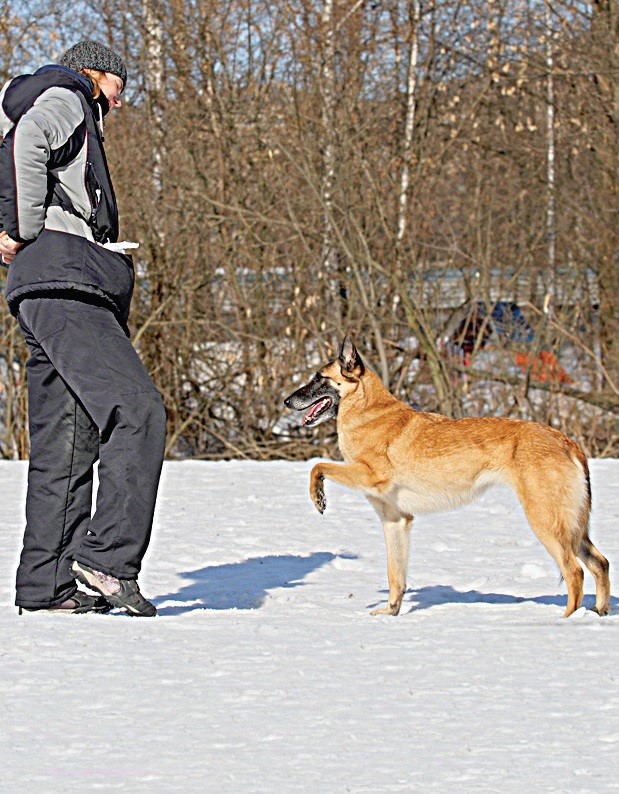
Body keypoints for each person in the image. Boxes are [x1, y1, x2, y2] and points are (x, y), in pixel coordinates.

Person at [0, 40, 167, 616]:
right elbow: (30, 144)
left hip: (39, 287)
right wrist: (20, 227)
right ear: (98, 74)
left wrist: (14, 235)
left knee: (65, 446)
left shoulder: (20, 102)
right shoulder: (69, 93)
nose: (119, 103)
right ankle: (107, 559)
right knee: (139, 411)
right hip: (67, 283)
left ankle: (47, 585)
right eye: (120, 87)